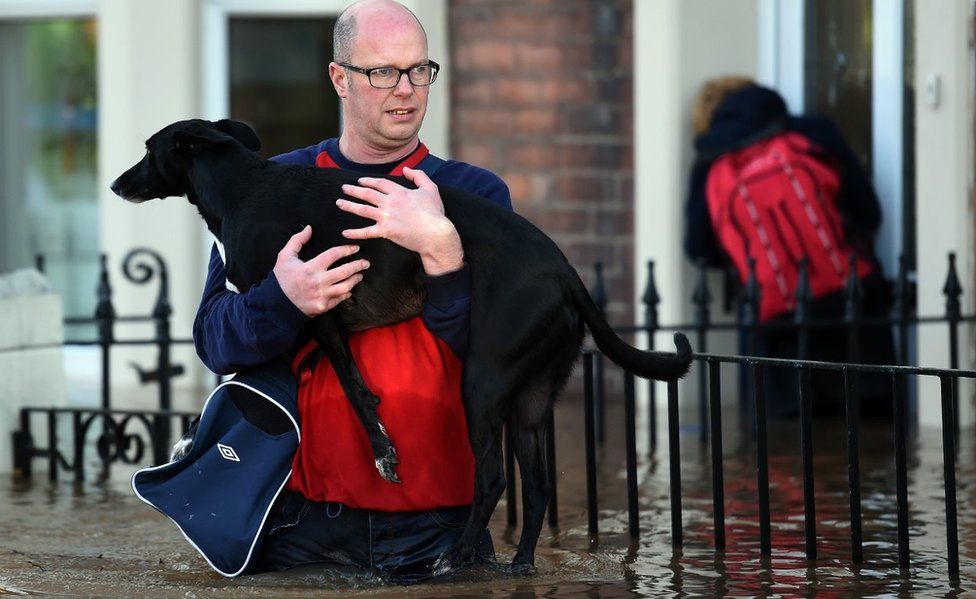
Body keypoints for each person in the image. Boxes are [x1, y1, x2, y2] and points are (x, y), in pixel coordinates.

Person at [192, 0, 511, 581]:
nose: (407, 90)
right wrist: (281, 301)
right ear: (340, 78)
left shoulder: (473, 193)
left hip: (439, 523)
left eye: (420, 70)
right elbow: (215, 342)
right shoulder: (265, 188)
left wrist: (443, 254)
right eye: (382, 72)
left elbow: (502, 352)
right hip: (297, 520)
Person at [683, 77, 896, 419]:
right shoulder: (813, 131)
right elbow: (868, 212)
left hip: (775, 325)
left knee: (786, 453)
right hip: (854, 307)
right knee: (874, 443)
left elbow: (698, 248)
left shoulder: (711, 163)